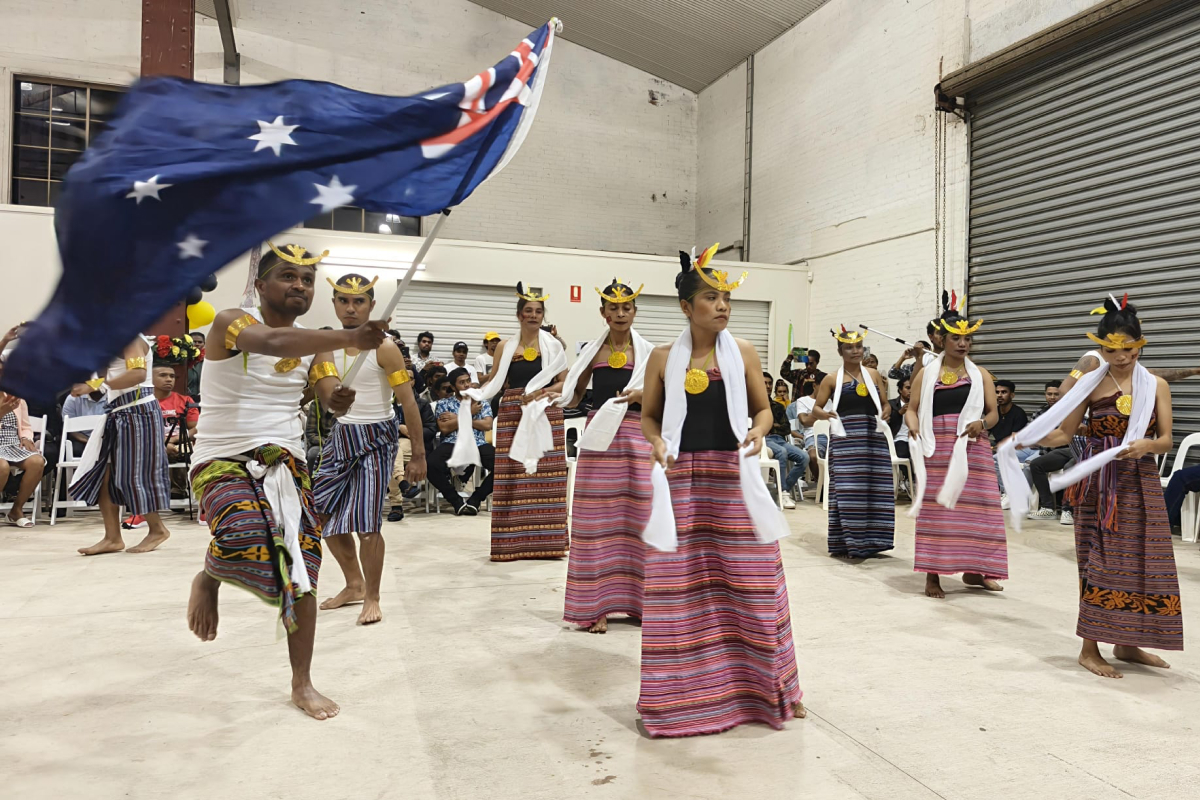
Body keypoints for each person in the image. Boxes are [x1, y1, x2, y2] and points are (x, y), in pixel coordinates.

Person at [185, 241, 389, 720]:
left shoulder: (315, 347)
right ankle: (209, 576)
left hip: (287, 460)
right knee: (239, 532)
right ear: (261, 285)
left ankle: (303, 682)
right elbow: (273, 344)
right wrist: (350, 338)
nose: (300, 286)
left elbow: (327, 395)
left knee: (302, 571)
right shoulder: (230, 321)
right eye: (288, 277)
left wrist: (337, 398)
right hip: (222, 457)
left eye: (307, 280)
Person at [637, 244, 802, 738]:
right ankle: (679, 699)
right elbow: (647, 416)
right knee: (678, 592)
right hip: (682, 481)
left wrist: (759, 430)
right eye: (711, 297)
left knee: (751, 586)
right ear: (687, 307)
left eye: (726, 297)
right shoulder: (662, 358)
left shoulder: (744, 352)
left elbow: (763, 409)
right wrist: (655, 442)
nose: (724, 306)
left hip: (734, 482)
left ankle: (762, 691)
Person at [1006, 295, 1181, 678]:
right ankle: (1090, 648)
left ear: (1140, 344)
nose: (1120, 357)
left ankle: (1128, 642)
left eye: (1128, 348)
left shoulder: (1156, 385)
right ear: (1100, 347)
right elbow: (1065, 433)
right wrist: (1025, 439)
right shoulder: (1090, 383)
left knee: (1141, 561)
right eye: (1110, 349)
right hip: (1099, 484)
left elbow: (1166, 439)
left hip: (1140, 481)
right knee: (1099, 561)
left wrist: (1147, 445)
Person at [314, 273, 426, 626]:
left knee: (366, 523)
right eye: (343, 300)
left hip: (377, 438)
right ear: (333, 304)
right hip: (341, 437)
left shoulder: (385, 348)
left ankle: (373, 596)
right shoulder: (324, 346)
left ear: (372, 305)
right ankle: (354, 584)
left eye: (359, 300)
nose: (350, 307)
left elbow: (409, 403)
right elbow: (328, 397)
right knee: (323, 514)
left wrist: (419, 454)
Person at [557, 279, 654, 633]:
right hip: (600, 441)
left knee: (640, 519)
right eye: (612, 308)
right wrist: (546, 396)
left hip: (637, 438)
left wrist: (639, 395)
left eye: (626, 307)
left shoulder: (649, 353)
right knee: (595, 524)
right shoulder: (591, 352)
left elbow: (660, 398)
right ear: (602, 313)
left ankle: (641, 604)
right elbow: (573, 393)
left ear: (634, 311)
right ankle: (593, 607)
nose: (620, 313)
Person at [906, 300, 1006, 599]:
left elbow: (993, 414)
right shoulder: (927, 373)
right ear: (942, 339)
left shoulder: (981, 374)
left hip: (972, 447)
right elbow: (911, 409)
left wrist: (982, 424)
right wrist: (912, 425)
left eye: (967, 339)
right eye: (956, 338)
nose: (963, 344)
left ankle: (976, 571)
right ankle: (932, 575)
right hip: (936, 447)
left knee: (980, 510)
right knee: (937, 512)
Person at [466, 283, 569, 562]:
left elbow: (563, 383)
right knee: (513, 475)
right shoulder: (504, 346)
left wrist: (541, 393)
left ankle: (548, 544)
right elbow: (497, 382)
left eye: (538, 311)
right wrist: (476, 397)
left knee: (548, 478)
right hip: (513, 411)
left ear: (543, 315)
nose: (533, 316)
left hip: (546, 410)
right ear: (519, 315)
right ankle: (510, 544)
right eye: (528, 311)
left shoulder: (554, 345)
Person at [70, 334, 172, 555]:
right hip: (118, 413)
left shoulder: (130, 337)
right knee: (104, 475)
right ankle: (112, 538)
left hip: (138, 412)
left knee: (134, 474)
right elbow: (107, 376)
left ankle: (157, 529)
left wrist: (91, 385)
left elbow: (137, 374)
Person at [804, 327, 893, 558]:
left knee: (875, 489)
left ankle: (874, 542)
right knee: (848, 491)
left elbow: (885, 403)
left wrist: (886, 411)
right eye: (849, 348)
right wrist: (824, 415)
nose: (855, 351)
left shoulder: (873, 375)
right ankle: (850, 543)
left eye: (858, 347)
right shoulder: (831, 378)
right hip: (846, 441)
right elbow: (816, 407)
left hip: (872, 437)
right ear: (840, 351)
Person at [430, 367, 495, 514]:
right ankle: (455, 500)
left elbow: (487, 425)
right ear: (453, 387)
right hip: (453, 442)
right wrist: (468, 413)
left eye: (468, 381)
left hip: (477, 442)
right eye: (461, 382)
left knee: (504, 466)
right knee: (431, 464)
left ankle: (476, 499)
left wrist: (458, 418)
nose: (467, 385)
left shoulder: (481, 402)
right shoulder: (443, 404)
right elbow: (445, 428)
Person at [152, 363, 199, 496]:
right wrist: (163, 443)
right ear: (150, 379)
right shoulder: (143, 402)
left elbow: (196, 428)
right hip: (152, 443)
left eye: (172, 376)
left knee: (183, 448)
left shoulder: (185, 400)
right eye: (163, 375)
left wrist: (173, 440)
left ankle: (177, 490)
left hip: (181, 442)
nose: (169, 379)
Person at [0, 390, 46, 527]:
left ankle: (16, 510)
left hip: (13, 444)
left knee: (37, 462)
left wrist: (26, 438)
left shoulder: (17, 398)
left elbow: (25, 426)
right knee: (2, 467)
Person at [763, 371, 806, 509]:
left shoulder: (778, 407)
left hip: (780, 439)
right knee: (781, 452)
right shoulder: (752, 405)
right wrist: (772, 426)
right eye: (764, 383)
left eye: (769, 383)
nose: (768, 386)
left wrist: (772, 425)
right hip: (765, 440)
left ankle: (784, 488)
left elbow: (786, 429)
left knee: (804, 457)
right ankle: (783, 493)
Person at [61, 383, 107, 457]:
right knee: (76, 449)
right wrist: (90, 442)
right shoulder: (72, 399)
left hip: (108, 438)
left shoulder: (114, 398)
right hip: (83, 438)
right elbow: (71, 429)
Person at [187, 330, 206, 402]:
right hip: (186, 398)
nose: (197, 344)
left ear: (204, 344)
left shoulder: (208, 361)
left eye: (200, 342)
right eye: (194, 342)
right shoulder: (183, 359)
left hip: (203, 400)